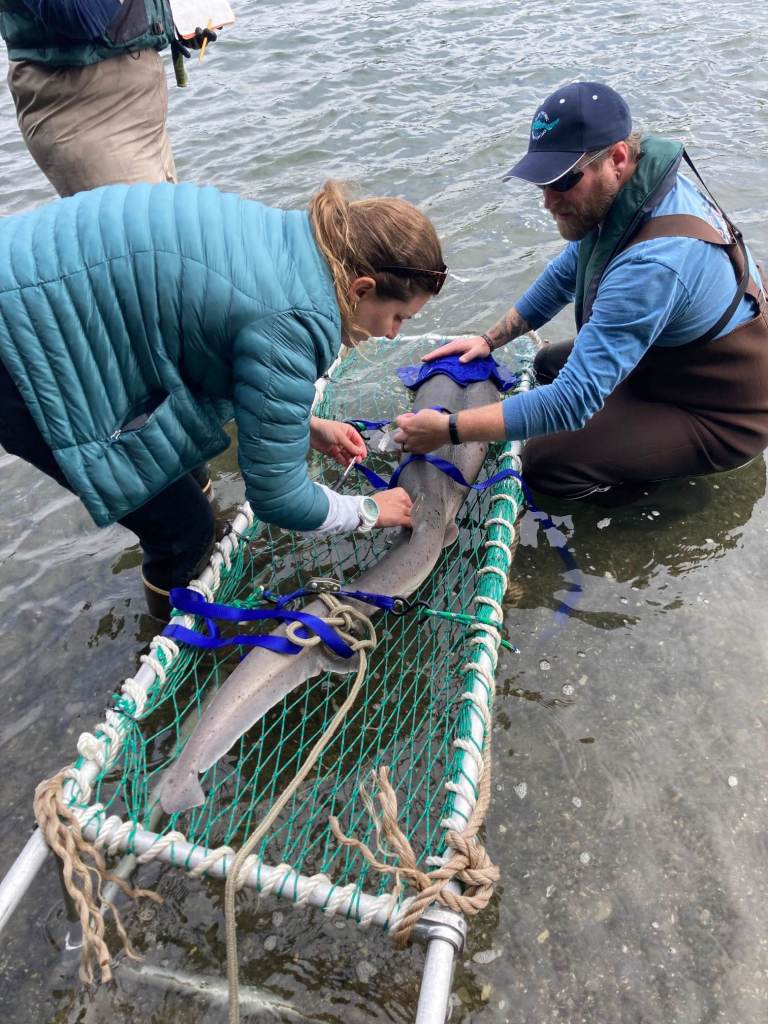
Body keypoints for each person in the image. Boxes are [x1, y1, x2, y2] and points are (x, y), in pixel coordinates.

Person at [0, 179, 447, 617]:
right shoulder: (294, 320)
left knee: (187, 470)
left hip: (32, 269)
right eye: (397, 318)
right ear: (362, 288)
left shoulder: (297, 239)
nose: (391, 334)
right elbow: (279, 499)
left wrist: (302, 426)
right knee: (183, 530)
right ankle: (170, 640)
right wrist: (369, 509)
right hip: (20, 343)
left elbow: (222, 338)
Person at [393, 81, 768, 500]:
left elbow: (571, 402)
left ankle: (646, 508)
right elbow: (564, 274)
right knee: (546, 362)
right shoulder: (628, 194)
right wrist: (487, 340)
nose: (548, 202)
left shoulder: (654, 263)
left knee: (545, 464)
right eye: (542, 184)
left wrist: (449, 430)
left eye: (564, 181)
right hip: (670, 362)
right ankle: (624, 431)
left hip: (722, 412)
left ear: (618, 159)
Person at [0, 0, 217, 197]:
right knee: (146, 232)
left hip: (141, 112)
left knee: (166, 223)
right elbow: (84, 17)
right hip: (88, 115)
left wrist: (176, 18)